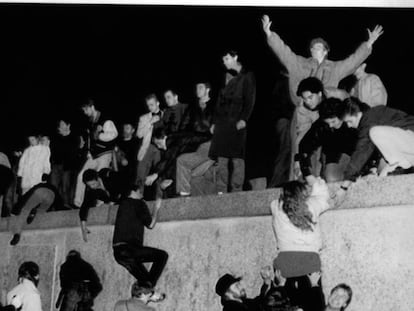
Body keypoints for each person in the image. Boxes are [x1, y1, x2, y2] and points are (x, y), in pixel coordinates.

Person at [261, 15, 383, 181]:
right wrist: (269, 34)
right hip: (304, 111)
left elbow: (353, 61)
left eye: (318, 47)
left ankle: (322, 179)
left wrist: (369, 44)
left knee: (324, 147)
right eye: (312, 47)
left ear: (326, 51)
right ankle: (299, 180)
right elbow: (284, 51)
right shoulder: (299, 63)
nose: (314, 49)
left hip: (325, 112)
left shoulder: (334, 68)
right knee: (301, 146)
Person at [269, 177, 341, 310]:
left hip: (285, 262)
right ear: (302, 194)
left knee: (282, 304)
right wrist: (315, 181)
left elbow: (278, 202)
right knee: (312, 305)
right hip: (309, 261)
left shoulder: (275, 207)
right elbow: (323, 196)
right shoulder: (311, 206)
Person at [209, 49, 256, 193]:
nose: (225, 62)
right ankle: (221, 191)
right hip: (222, 122)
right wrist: (214, 122)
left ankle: (237, 191)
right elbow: (219, 101)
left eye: (227, 59)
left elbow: (250, 99)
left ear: (235, 57)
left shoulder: (248, 76)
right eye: (223, 60)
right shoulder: (226, 77)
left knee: (237, 158)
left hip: (237, 121)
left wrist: (244, 119)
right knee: (222, 159)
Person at [112, 183, 168, 291]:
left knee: (146, 281)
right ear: (133, 192)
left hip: (118, 253)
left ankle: (146, 290)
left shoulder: (123, 204)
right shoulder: (138, 203)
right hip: (130, 249)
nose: (141, 194)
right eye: (139, 192)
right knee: (162, 256)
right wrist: (156, 207)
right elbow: (151, 224)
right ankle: (149, 289)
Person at [297, 98, 358, 183]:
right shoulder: (321, 125)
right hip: (331, 159)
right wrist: (307, 174)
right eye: (327, 123)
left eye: (333, 121)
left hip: (355, 156)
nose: (330, 125)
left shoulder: (351, 121)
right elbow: (303, 146)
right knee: (330, 177)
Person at [74, 99, 118, 207]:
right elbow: (90, 139)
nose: (84, 112)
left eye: (85, 109)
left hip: (105, 153)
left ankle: (102, 201)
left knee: (100, 176)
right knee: (81, 175)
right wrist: (88, 150)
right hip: (94, 155)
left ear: (92, 107)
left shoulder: (105, 119)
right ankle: (78, 202)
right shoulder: (90, 122)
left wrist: (100, 136)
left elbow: (114, 134)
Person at [145, 128, 211, 198]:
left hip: (207, 148)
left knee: (181, 161)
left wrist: (155, 174)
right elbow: (172, 164)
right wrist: (172, 181)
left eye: (158, 143)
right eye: (157, 145)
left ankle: (184, 194)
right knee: (187, 174)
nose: (158, 146)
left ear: (165, 137)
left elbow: (168, 159)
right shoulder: (177, 144)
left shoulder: (174, 141)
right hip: (208, 152)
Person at [176, 81, 215, 196]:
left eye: (200, 88)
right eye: (197, 88)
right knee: (189, 170)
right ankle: (186, 197)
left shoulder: (215, 106)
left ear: (207, 90)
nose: (197, 90)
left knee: (184, 162)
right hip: (196, 144)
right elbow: (183, 127)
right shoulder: (192, 108)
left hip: (211, 143)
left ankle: (185, 193)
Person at [9, 176, 64, 246]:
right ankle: (35, 213)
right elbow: (59, 201)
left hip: (39, 192)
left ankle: (17, 233)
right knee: (41, 211)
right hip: (51, 196)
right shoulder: (53, 187)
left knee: (26, 209)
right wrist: (60, 209)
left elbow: (25, 197)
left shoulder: (38, 186)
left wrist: (14, 211)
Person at [79, 169, 119, 242]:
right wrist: (83, 225)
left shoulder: (107, 176)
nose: (92, 187)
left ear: (98, 179)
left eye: (94, 184)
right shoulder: (91, 189)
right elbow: (84, 205)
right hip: (110, 200)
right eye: (89, 185)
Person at [136, 94, 164, 193]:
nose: (150, 107)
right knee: (140, 175)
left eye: (152, 104)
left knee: (160, 174)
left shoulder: (166, 115)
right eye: (148, 105)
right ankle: (137, 198)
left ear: (158, 103)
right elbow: (139, 134)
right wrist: (150, 122)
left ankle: (161, 199)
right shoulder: (143, 118)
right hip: (148, 147)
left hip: (161, 149)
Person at [50, 118, 81, 208]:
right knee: (53, 187)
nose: (61, 126)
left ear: (68, 125)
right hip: (56, 165)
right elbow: (53, 151)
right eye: (60, 125)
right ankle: (53, 206)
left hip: (68, 166)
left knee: (65, 187)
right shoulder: (56, 137)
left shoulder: (74, 137)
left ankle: (66, 205)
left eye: (63, 124)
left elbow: (72, 151)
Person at [115, 122, 140, 187]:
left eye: (127, 128)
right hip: (116, 170)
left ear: (133, 130)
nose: (125, 130)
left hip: (129, 173)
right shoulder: (118, 141)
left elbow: (132, 159)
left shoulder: (136, 143)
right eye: (124, 128)